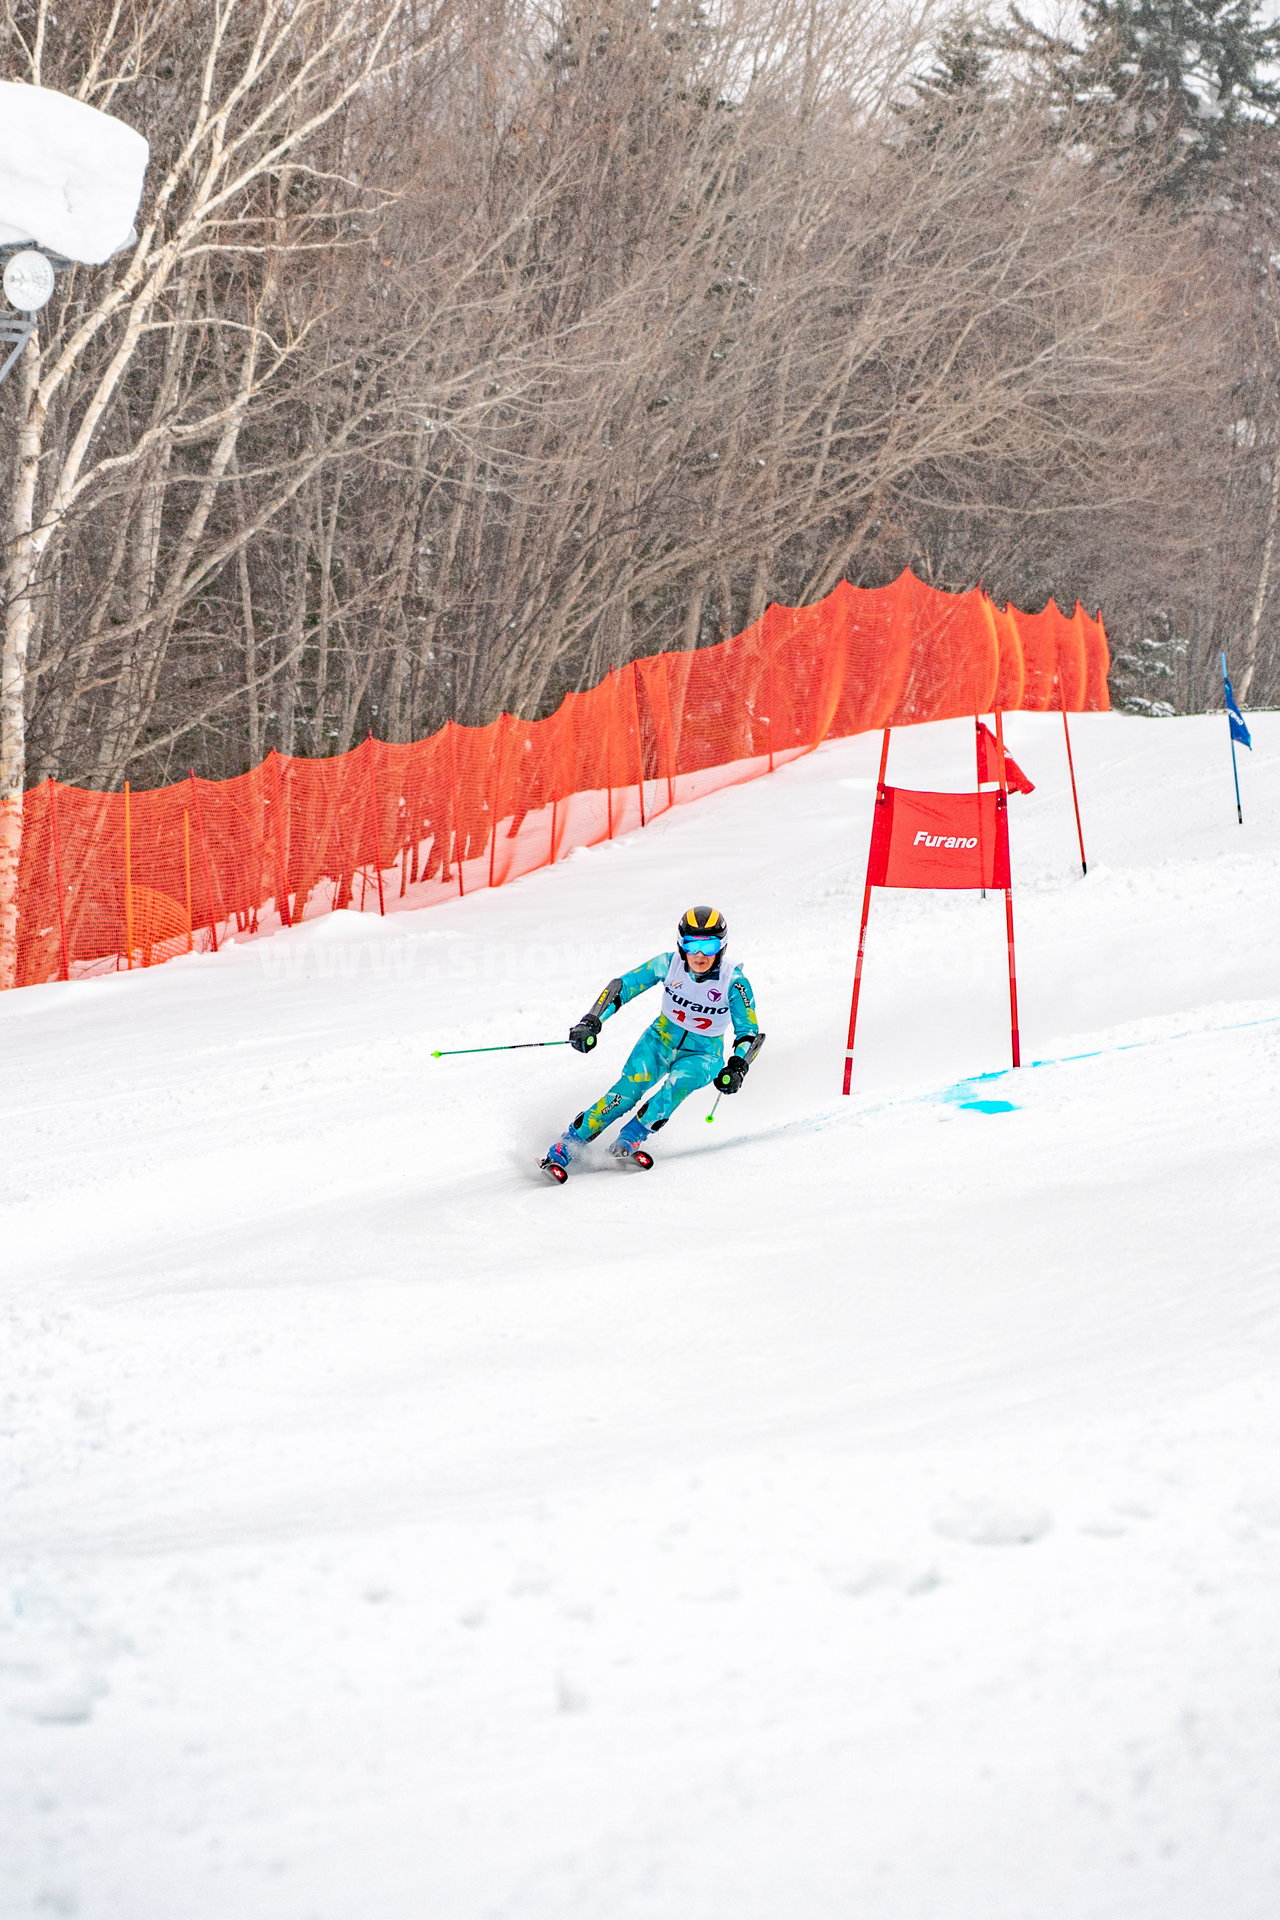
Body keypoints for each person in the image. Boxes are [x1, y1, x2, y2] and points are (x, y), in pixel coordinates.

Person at [540, 905, 764, 1182]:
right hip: (659, 1041)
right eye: (692, 944)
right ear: (680, 944)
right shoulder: (667, 964)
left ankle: (629, 1139)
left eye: (709, 946)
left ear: (723, 946)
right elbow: (622, 986)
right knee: (624, 1095)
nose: (700, 955)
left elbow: (750, 1032)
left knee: (678, 1084)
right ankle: (565, 1147)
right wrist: (592, 1020)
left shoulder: (734, 981)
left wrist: (738, 1066)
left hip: (704, 1054)